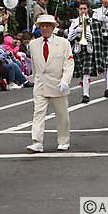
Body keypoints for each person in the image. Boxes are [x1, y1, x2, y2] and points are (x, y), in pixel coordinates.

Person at [26, 15, 74, 153]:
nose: (45, 28)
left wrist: (65, 81)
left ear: (53, 28)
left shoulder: (64, 43)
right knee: (38, 113)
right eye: (42, 26)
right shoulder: (33, 44)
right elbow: (35, 65)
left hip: (58, 83)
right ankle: (37, 141)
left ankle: (64, 140)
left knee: (62, 114)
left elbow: (69, 64)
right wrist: (34, 78)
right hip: (40, 84)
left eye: (48, 25)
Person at [67, 1, 104, 103]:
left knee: (86, 72)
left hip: (88, 48)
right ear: (78, 10)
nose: (83, 11)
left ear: (88, 9)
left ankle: (86, 94)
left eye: (84, 9)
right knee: (81, 71)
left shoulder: (93, 22)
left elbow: (97, 37)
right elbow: (69, 38)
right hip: (78, 47)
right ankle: (84, 91)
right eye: (81, 9)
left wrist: (90, 37)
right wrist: (76, 31)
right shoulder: (74, 22)